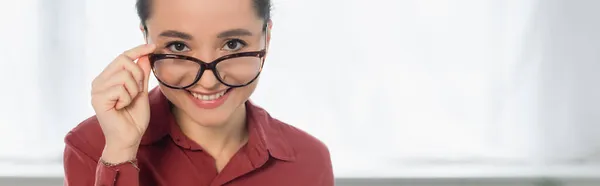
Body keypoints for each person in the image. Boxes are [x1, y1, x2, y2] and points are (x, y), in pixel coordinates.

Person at [62, 0, 334, 185]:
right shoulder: (94, 147)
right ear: (146, 39)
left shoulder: (308, 161)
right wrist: (120, 154)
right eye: (179, 47)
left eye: (233, 44)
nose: (207, 81)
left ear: (267, 38)